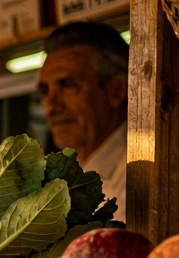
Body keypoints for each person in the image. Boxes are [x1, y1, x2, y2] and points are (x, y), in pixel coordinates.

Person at [38, 22, 128, 212]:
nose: (52, 106)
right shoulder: (54, 181)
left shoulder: (157, 179)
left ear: (116, 91)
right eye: (45, 91)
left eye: (68, 85)